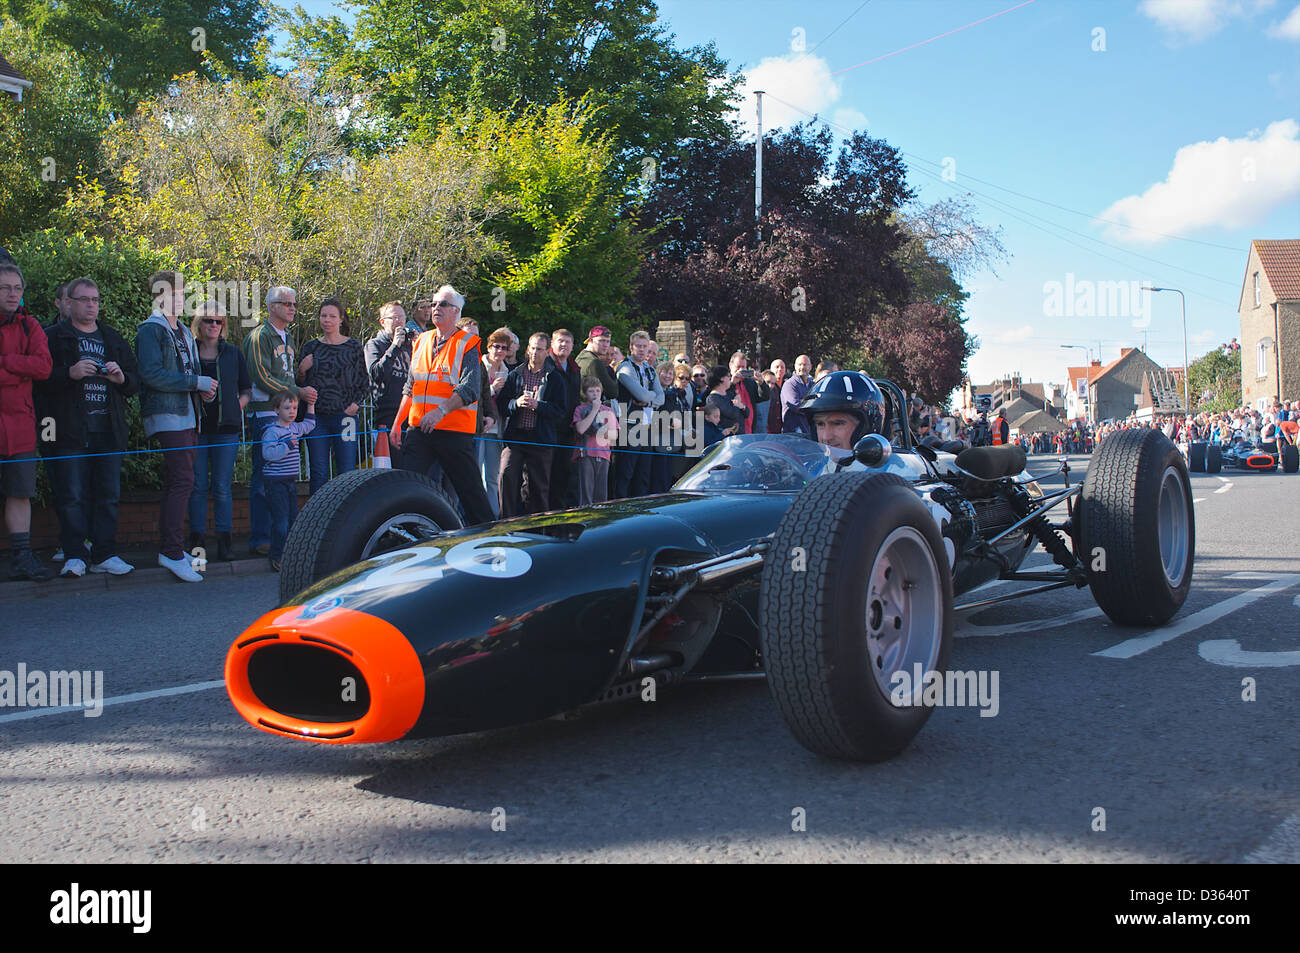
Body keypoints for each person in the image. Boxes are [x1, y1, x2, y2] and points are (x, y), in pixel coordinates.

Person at [35, 276, 140, 577]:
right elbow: (39, 380)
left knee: (108, 494)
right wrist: (69, 373)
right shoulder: (53, 336)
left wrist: (122, 379)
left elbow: (134, 380)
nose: (91, 305)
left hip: (108, 428)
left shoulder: (112, 337)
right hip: (69, 430)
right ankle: (74, 555)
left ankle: (105, 553)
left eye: (95, 300)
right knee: (72, 495)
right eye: (84, 299)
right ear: (68, 303)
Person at [389, 285, 495, 525]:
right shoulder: (422, 340)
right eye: (434, 303)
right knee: (407, 487)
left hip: (454, 432)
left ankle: (490, 537)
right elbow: (410, 386)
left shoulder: (468, 343)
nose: (435, 308)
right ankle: (406, 533)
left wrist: (440, 412)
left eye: (443, 304)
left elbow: (469, 389)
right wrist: (398, 423)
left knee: (471, 493)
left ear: (456, 312)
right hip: (419, 430)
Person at [135, 271, 216, 582]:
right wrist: (197, 382)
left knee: (179, 481)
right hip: (167, 416)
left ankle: (172, 548)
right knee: (182, 480)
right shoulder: (149, 331)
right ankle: (170, 551)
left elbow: (191, 375)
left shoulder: (183, 330)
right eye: (172, 294)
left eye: (182, 294)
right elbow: (152, 374)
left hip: (189, 414)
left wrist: (204, 390)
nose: (179, 299)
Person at [243, 285, 315, 556]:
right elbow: (262, 378)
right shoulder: (259, 336)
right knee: (263, 479)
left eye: (294, 304)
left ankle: (281, 539)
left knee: (284, 480)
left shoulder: (290, 337)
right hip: (265, 416)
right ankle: (261, 538)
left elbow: (286, 377)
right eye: (287, 304)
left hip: (287, 416)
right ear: (272, 306)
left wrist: (300, 380)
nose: (292, 308)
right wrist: (298, 392)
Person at [0, 261, 53, 581]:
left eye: (17, 288)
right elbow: (31, 367)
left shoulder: (30, 326)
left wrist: (5, 362)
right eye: (5, 288)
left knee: (20, 492)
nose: (12, 293)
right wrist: (19, 370)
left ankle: (22, 557)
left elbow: (43, 368)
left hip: (20, 426)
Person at [187, 299, 250, 562]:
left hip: (226, 429)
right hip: (197, 428)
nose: (213, 325)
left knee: (222, 487)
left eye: (218, 321)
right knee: (198, 486)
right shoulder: (189, 351)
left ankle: (225, 544)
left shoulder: (233, 352)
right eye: (208, 320)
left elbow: (246, 388)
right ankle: (197, 542)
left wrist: (237, 406)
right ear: (198, 324)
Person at [297, 297, 367, 494]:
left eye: (331, 316)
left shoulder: (353, 346)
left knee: (347, 470)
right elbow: (299, 384)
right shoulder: (311, 347)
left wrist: (356, 404)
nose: (327, 320)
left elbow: (364, 381)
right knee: (318, 470)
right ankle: (317, 517)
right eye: (323, 316)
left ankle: (348, 518)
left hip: (346, 417)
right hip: (316, 418)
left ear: (341, 319)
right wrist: (302, 370)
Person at [498, 332, 565, 516]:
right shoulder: (516, 374)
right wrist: (516, 403)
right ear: (528, 349)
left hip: (540, 440)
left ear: (547, 352)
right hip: (516, 437)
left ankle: (536, 530)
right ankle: (506, 524)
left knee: (538, 488)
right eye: (533, 348)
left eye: (540, 349)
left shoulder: (555, 378)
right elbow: (502, 404)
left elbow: (560, 411)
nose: (535, 352)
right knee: (506, 475)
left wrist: (539, 406)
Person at [261, 390, 316, 572]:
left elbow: (310, 424)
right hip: (275, 483)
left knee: (293, 520)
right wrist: (287, 445)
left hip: (290, 482)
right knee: (281, 522)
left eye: (294, 408)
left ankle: (291, 555)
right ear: (277, 410)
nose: (291, 411)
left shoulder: (295, 428)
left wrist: (310, 404)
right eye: (287, 408)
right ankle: (277, 555)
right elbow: (268, 454)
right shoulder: (271, 432)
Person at [614, 331, 664, 498]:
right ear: (631, 347)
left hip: (647, 426)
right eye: (639, 346)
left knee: (643, 475)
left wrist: (647, 397)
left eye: (645, 346)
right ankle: (620, 510)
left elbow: (661, 397)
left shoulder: (650, 370)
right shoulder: (625, 368)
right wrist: (649, 396)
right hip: (629, 427)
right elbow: (643, 395)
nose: (642, 350)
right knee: (625, 474)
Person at [365, 301, 412, 471]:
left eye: (402, 317)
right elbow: (376, 374)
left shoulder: (410, 346)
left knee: (412, 468)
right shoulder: (374, 345)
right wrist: (394, 347)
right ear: (383, 321)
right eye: (394, 317)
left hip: (411, 414)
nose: (399, 321)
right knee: (394, 469)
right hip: (388, 415)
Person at [799, 371, 887, 454]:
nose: (826, 437)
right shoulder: (812, 468)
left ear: (865, 429)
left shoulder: (891, 469)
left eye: (837, 423)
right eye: (820, 424)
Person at [546, 328, 581, 509]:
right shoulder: (546, 365)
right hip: (547, 428)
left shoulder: (575, 369)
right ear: (552, 343)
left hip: (568, 430)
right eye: (560, 341)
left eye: (567, 342)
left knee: (563, 474)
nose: (564, 345)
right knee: (545, 476)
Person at [479, 328, 512, 517]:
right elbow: (475, 395)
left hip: (496, 428)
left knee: (492, 477)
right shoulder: (480, 365)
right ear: (489, 347)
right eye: (496, 346)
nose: (499, 351)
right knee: (475, 474)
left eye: (504, 348)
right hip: (477, 426)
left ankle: (491, 516)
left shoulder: (507, 371)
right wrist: (492, 388)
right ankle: (472, 516)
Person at [572, 377, 619, 505]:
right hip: (586, 453)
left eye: (598, 391)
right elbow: (581, 429)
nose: (595, 394)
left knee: (601, 493)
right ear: (585, 393)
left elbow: (614, 435)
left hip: (603, 454)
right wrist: (594, 410)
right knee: (586, 491)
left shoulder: (608, 411)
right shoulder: (580, 409)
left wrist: (597, 431)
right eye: (591, 391)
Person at [726, 351, 768, 435]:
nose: (741, 370)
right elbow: (722, 398)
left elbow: (764, 397)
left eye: (743, 367)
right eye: (738, 367)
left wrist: (761, 382)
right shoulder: (725, 380)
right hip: (733, 429)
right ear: (730, 366)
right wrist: (732, 383)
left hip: (749, 429)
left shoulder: (749, 382)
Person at [704, 365, 746, 438]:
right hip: (726, 440)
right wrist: (737, 404)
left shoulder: (730, 394)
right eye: (728, 375)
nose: (730, 378)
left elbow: (747, 413)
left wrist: (742, 406)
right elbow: (732, 414)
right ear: (722, 379)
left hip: (740, 437)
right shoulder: (713, 398)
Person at [767, 359, 787, 433]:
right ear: (771, 370)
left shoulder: (787, 386)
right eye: (777, 367)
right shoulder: (767, 388)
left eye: (782, 367)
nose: (780, 369)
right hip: (769, 430)